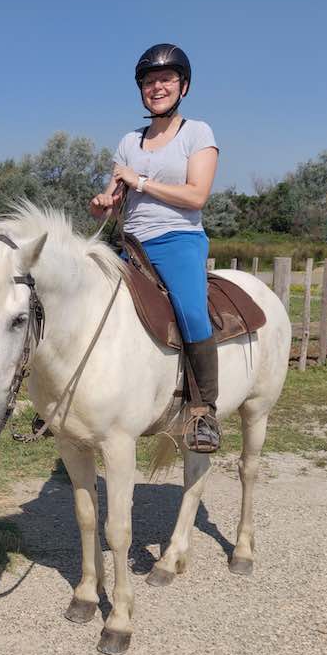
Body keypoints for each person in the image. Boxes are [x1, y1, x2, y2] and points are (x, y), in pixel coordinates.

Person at [90, 43, 220, 452]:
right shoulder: (129, 141)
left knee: (191, 310)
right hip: (132, 244)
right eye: (149, 81)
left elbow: (197, 196)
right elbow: (113, 197)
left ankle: (204, 411)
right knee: (92, 303)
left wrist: (141, 181)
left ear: (184, 86)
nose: (157, 87)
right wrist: (104, 203)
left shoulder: (197, 133)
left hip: (179, 239)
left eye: (166, 79)